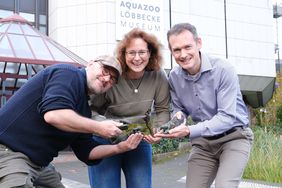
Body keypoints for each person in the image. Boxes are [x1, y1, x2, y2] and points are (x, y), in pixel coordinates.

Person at [0, 55, 143, 188]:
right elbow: (54, 115)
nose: (107, 79)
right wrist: (99, 127)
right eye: (105, 71)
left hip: (39, 165)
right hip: (9, 152)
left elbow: (87, 151)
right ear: (90, 64)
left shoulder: (83, 111)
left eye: (112, 79)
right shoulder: (68, 73)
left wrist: (121, 148)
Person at [155, 23, 254, 188]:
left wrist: (188, 130)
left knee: (224, 186)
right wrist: (176, 120)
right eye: (177, 50)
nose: (183, 54)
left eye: (188, 47)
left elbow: (227, 117)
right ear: (171, 52)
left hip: (234, 137)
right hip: (203, 143)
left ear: (198, 43)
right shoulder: (174, 76)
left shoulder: (223, 69)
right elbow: (180, 111)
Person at [88, 28, 170, 188]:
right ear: (123, 55)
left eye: (142, 52)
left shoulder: (158, 75)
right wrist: (104, 126)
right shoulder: (112, 74)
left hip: (139, 139)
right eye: (131, 53)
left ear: (150, 53)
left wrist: (160, 129)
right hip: (106, 139)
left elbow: (163, 109)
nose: (137, 58)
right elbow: (91, 109)